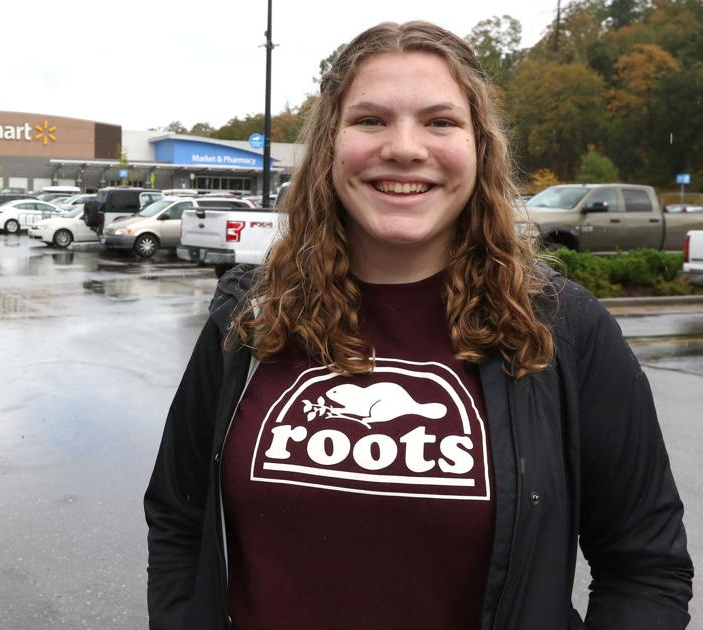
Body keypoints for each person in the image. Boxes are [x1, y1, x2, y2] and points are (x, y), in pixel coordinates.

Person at [144, 21, 692, 630]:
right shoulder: (248, 316)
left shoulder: (565, 329)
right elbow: (178, 520)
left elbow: (645, 569)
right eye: (370, 120)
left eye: (440, 121)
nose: (405, 147)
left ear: (479, 146)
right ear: (330, 145)